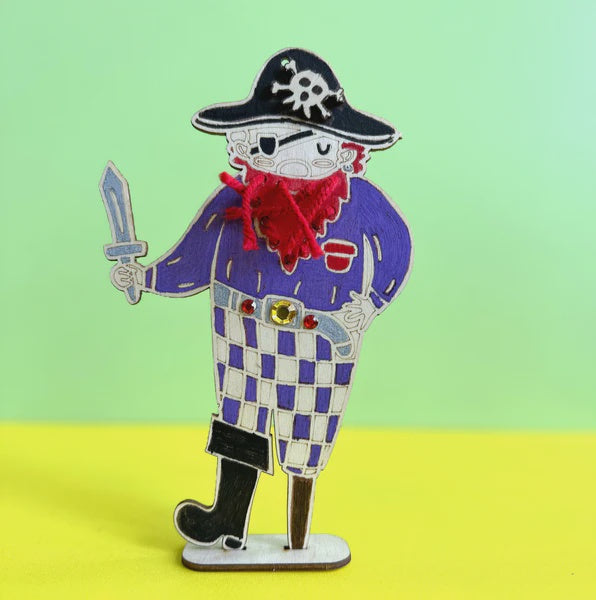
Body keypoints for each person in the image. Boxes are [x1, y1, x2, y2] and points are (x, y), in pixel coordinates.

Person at [110, 48, 413, 550]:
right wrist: (146, 277)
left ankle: (299, 535)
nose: (295, 157)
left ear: (345, 149)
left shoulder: (361, 203)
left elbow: (396, 248)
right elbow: (194, 256)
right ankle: (228, 519)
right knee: (239, 419)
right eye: (272, 142)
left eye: (317, 145)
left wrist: (372, 302)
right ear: (246, 143)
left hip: (323, 333)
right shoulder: (235, 203)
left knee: (307, 433)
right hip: (242, 325)